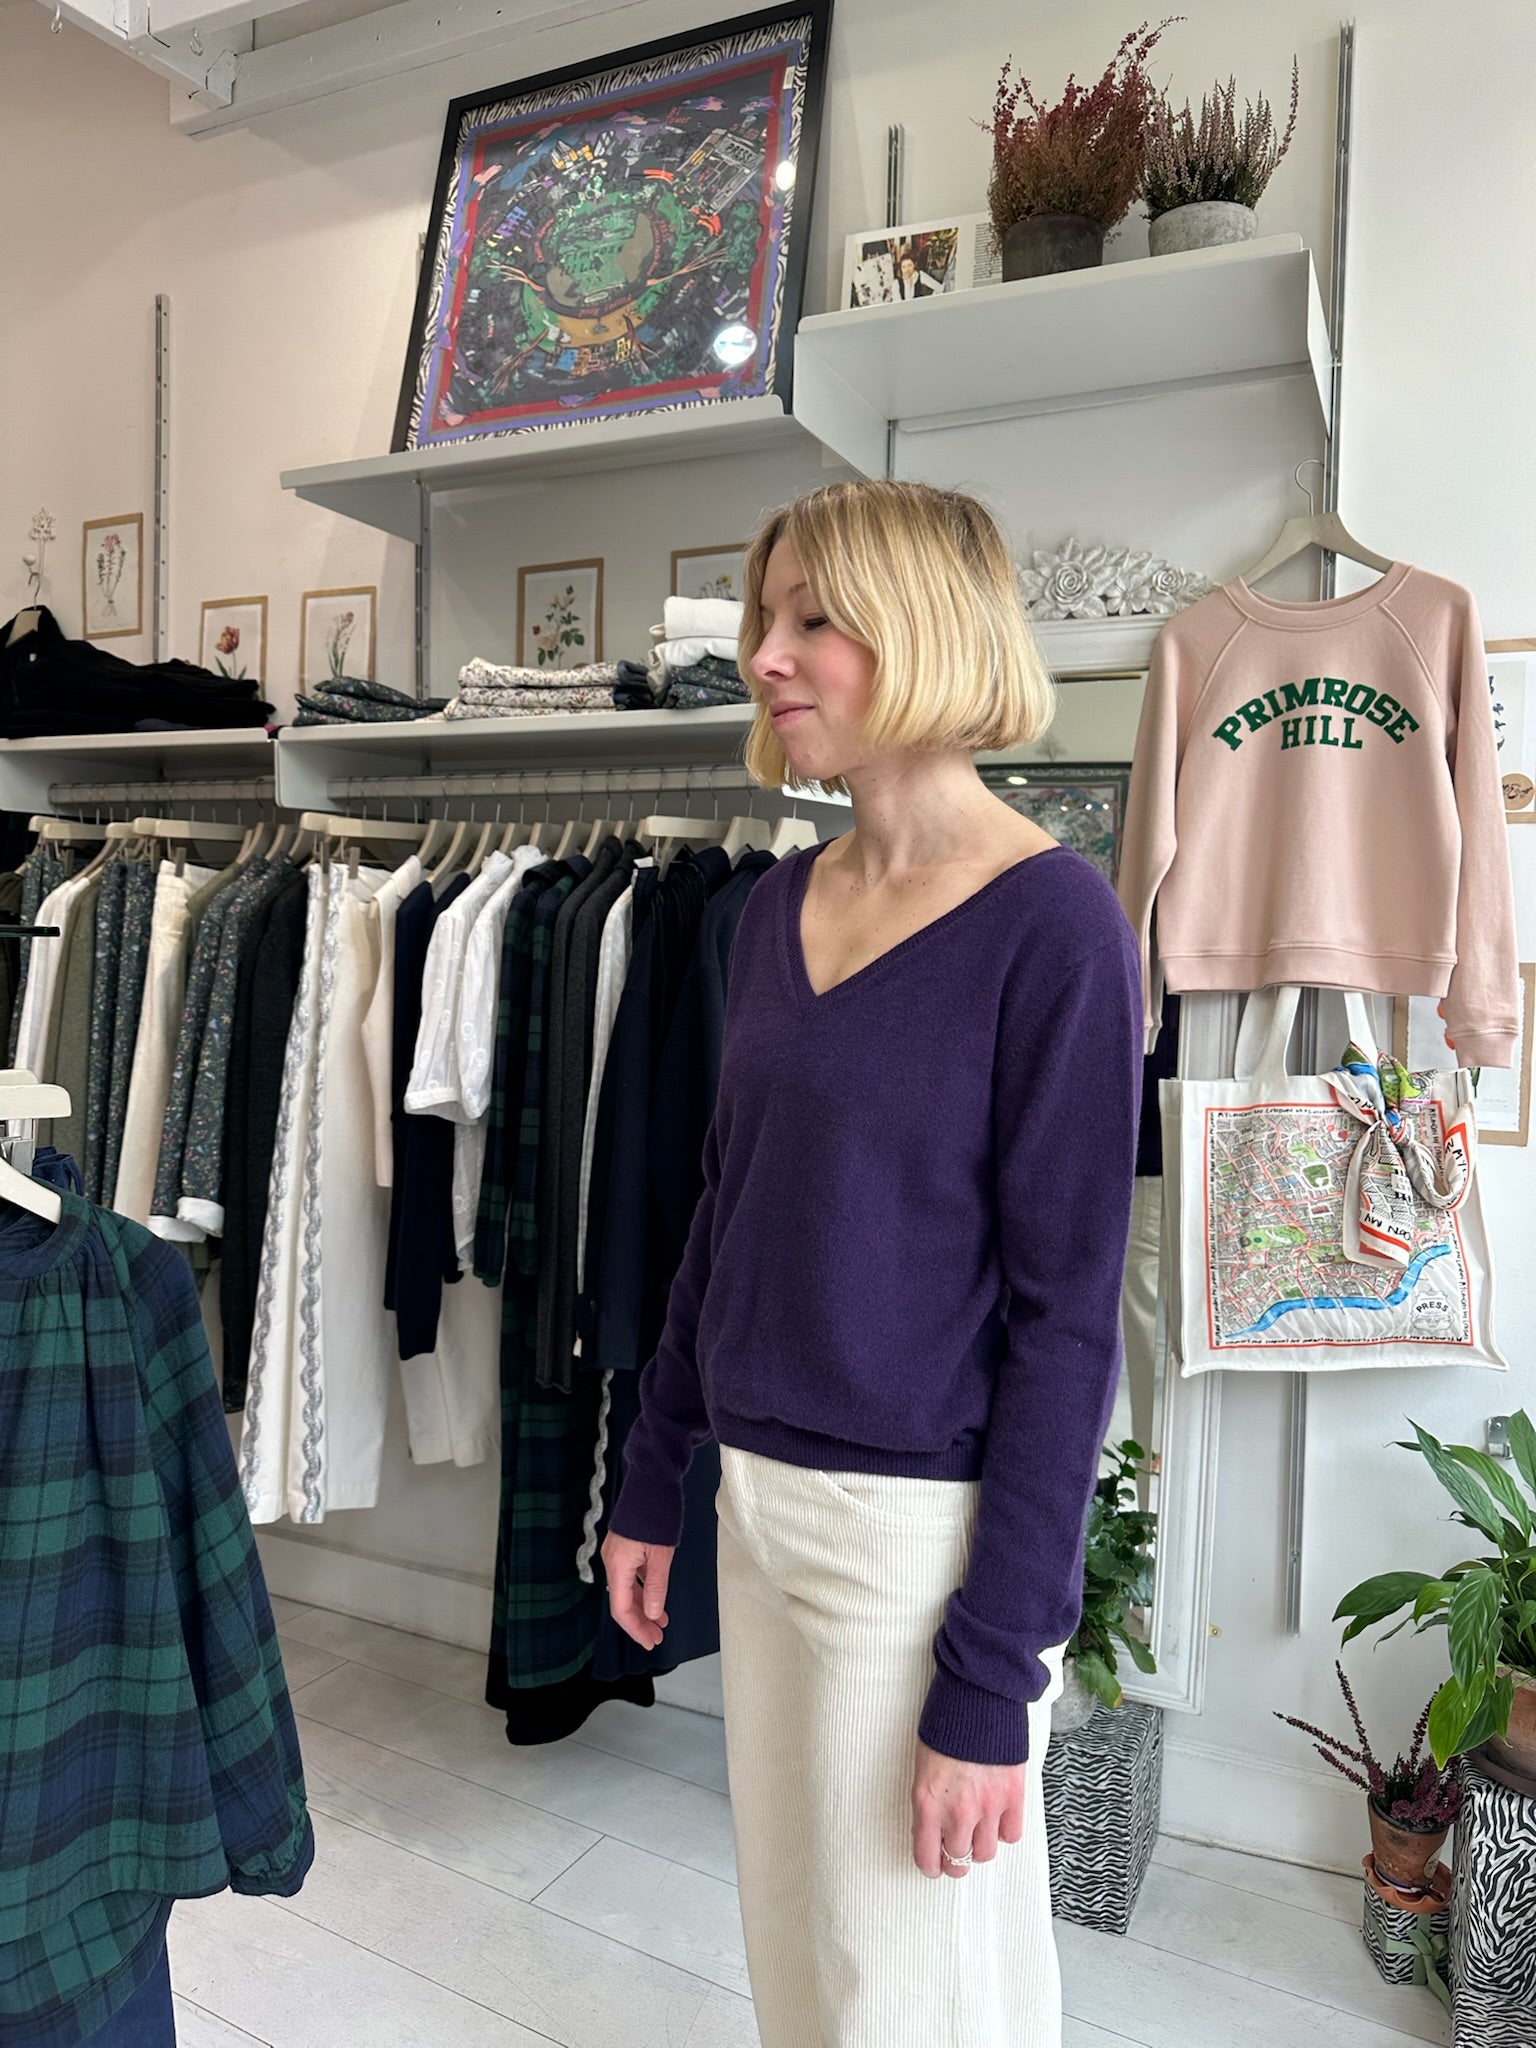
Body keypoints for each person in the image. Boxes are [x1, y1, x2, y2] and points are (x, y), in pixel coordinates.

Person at [601, 479, 1141, 2048]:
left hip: (912, 1549)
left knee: (921, 1996)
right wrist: (655, 1473)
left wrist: (994, 1679)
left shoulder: (1057, 932)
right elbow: (726, 1209)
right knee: (808, 1973)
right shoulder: (775, 909)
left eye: (812, 620)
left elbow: (1063, 1328)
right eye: (769, 618)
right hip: (760, 1512)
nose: (768, 655)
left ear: (923, 633)